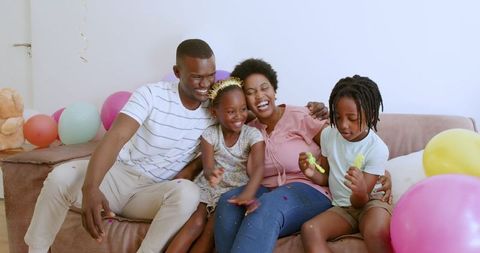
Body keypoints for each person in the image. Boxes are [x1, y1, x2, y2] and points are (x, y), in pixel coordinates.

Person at [24, 39, 218, 253]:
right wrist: (91, 187)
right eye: (197, 77)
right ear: (177, 72)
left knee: (188, 193)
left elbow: (245, 118)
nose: (206, 84)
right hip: (118, 177)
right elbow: (116, 137)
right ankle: (36, 250)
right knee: (60, 176)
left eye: (211, 75)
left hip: (153, 192)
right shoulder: (152, 95)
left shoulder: (216, 109)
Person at [214, 59, 393, 253]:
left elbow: (351, 145)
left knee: (266, 205)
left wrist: (380, 173)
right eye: (250, 92)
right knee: (228, 202)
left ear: (274, 90)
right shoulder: (248, 131)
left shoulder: (302, 116)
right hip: (270, 190)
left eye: (264, 88)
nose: (259, 96)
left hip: (309, 190)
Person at [166, 77, 265, 253]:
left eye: (243, 109)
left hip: (231, 192)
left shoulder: (253, 135)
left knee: (210, 231)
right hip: (208, 189)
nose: (239, 116)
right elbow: (207, 166)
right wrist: (212, 174)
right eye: (230, 111)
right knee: (195, 223)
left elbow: (258, 168)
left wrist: (249, 192)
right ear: (214, 112)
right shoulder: (210, 135)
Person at [299, 75, 393, 253]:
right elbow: (326, 177)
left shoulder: (377, 148)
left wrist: (359, 189)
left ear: (370, 115)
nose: (343, 125)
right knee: (310, 230)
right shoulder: (328, 135)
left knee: (375, 231)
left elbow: (361, 200)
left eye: (351, 118)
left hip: (371, 203)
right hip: (343, 207)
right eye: (338, 116)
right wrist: (311, 173)